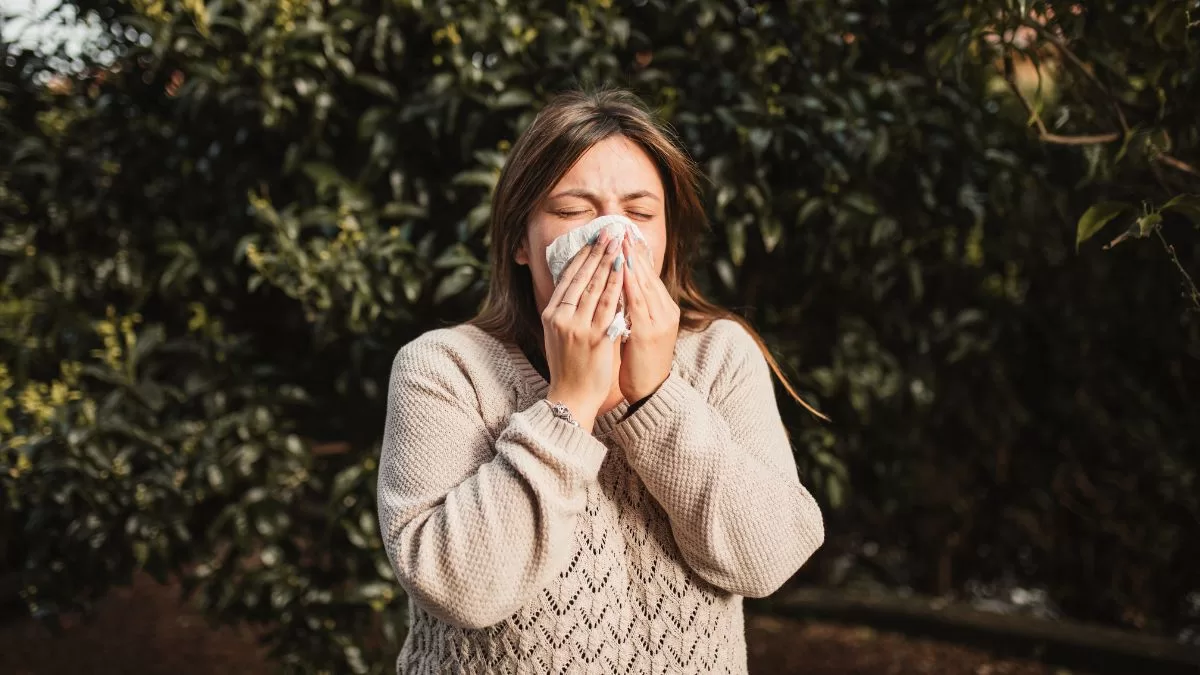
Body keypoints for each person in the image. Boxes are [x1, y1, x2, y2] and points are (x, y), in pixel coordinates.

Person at [377, 88, 825, 674]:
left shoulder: (720, 355)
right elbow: (463, 589)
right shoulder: (443, 368)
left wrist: (657, 396)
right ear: (519, 240)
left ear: (666, 238)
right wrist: (570, 403)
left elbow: (765, 560)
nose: (611, 237)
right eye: (572, 212)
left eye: (638, 214)